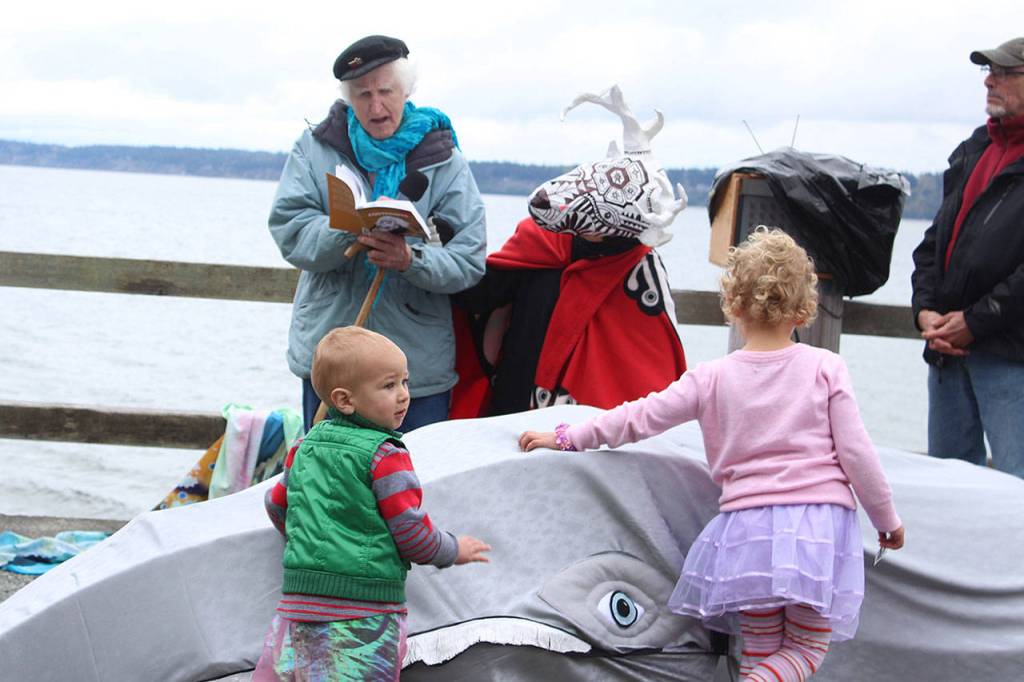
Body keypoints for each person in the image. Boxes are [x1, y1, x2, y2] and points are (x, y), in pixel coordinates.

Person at [521, 228, 904, 681]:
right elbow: (858, 453)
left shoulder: (712, 378)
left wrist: (568, 436)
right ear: (805, 308)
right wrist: (886, 521)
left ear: (734, 306)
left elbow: (640, 416)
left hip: (747, 533)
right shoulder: (825, 367)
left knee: (760, 652)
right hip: (814, 533)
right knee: (804, 647)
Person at [268, 34, 487, 434]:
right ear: (348, 99)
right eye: (362, 95)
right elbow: (290, 229)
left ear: (407, 90)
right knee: (327, 486)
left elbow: (468, 260)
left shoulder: (445, 160)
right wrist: (345, 230)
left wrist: (410, 260)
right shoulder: (314, 147)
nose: (376, 106)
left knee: (409, 488)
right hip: (333, 361)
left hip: (414, 370)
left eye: (385, 91)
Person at [254, 326, 490, 680]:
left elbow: (276, 504)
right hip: (364, 612)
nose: (404, 396)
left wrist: (309, 537)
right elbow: (411, 534)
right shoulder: (386, 456)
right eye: (388, 386)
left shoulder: (303, 447)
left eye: (405, 382)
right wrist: (453, 549)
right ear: (345, 400)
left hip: (299, 606)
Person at [911, 36, 1024, 478]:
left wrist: (974, 322)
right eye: (987, 72)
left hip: (1010, 358)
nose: (989, 82)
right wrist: (925, 312)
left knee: (1016, 499)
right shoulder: (975, 149)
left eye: (1004, 73)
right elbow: (931, 245)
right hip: (947, 356)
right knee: (947, 494)